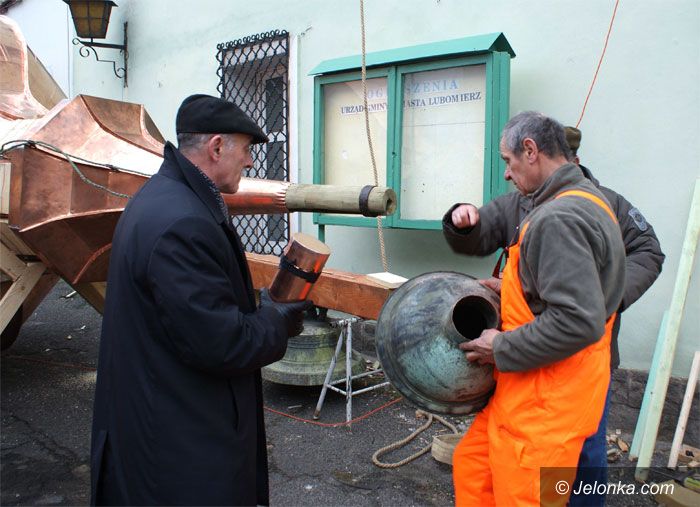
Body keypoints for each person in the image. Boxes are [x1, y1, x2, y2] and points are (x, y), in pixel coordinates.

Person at [90, 94, 311, 506]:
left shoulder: (165, 198)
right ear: (216, 147)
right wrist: (277, 319)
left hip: (159, 419)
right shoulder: (183, 222)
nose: (250, 162)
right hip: (180, 446)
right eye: (246, 150)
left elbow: (196, 310)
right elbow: (222, 344)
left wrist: (261, 306)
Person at [444, 125, 664, 506]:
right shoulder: (532, 200)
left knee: (573, 465)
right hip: (529, 371)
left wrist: (606, 298)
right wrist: (463, 221)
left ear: (537, 153)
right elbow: (494, 236)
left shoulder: (572, 212)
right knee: (479, 465)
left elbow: (579, 316)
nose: (507, 174)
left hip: (557, 380)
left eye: (509, 161)